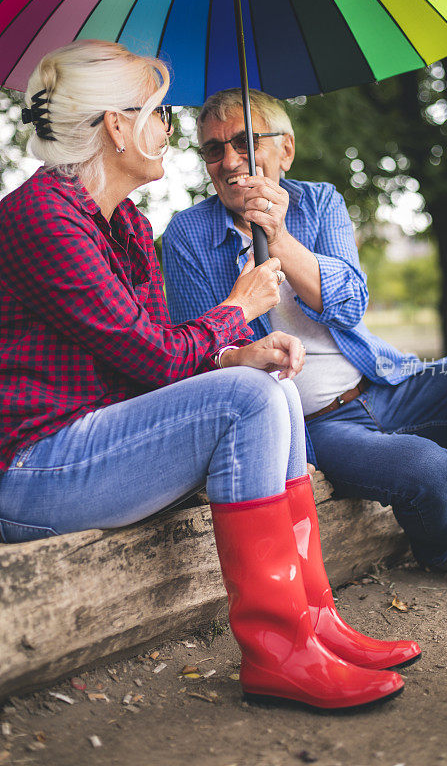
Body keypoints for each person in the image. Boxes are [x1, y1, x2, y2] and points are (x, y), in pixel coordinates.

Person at [0, 41, 420, 711]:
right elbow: (152, 358)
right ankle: (277, 651)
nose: (170, 130)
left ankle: (314, 624)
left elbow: (158, 351)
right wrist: (236, 311)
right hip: (38, 473)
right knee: (248, 401)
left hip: (103, 442)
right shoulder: (44, 217)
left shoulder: (125, 223)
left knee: (267, 382)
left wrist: (235, 353)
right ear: (117, 125)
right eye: (161, 113)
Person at [162, 88, 447, 589]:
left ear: (285, 150)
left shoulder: (320, 202)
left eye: (246, 141)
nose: (230, 160)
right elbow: (197, 354)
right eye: (213, 148)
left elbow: (352, 304)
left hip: (384, 379)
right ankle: (444, 549)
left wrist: (281, 236)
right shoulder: (187, 233)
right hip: (317, 424)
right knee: (425, 466)